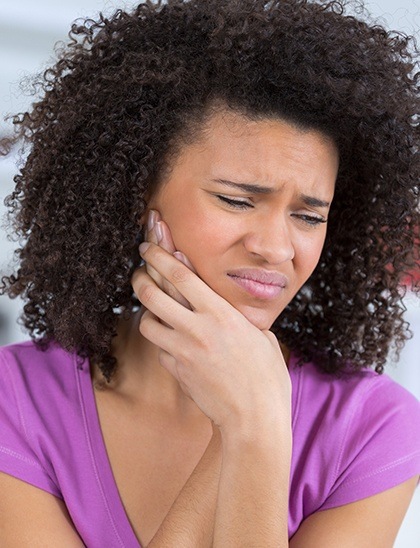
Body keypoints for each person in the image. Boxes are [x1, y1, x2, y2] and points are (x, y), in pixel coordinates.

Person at [0, 0, 419, 545]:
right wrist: (244, 423)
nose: (275, 249)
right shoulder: (16, 400)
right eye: (236, 201)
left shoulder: (372, 426)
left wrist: (256, 431)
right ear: (136, 195)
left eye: (308, 216)